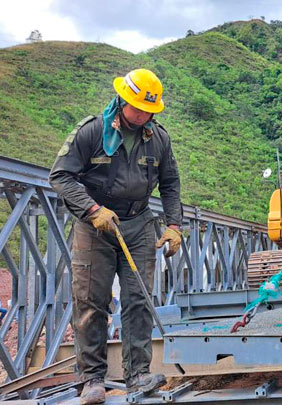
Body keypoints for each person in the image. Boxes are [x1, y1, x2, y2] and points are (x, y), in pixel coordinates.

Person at [49, 69, 183, 404]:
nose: (142, 115)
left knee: (139, 299)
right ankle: (92, 379)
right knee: (91, 301)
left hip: (138, 224)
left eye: (148, 110)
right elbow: (61, 176)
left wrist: (174, 225)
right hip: (95, 226)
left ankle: (137, 374)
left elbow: (170, 184)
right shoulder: (92, 131)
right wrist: (93, 210)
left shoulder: (159, 139)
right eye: (137, 108)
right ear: (123, 100)